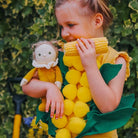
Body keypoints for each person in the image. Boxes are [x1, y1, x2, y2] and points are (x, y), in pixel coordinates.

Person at [22, 0, 134, 137]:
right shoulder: (60, 55)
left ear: (97, 21)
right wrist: (49, 88)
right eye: (61, 27)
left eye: (70, 25)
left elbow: (108, 107)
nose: (64, 33)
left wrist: (91, 66)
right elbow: (27, 85)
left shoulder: (116, 60)